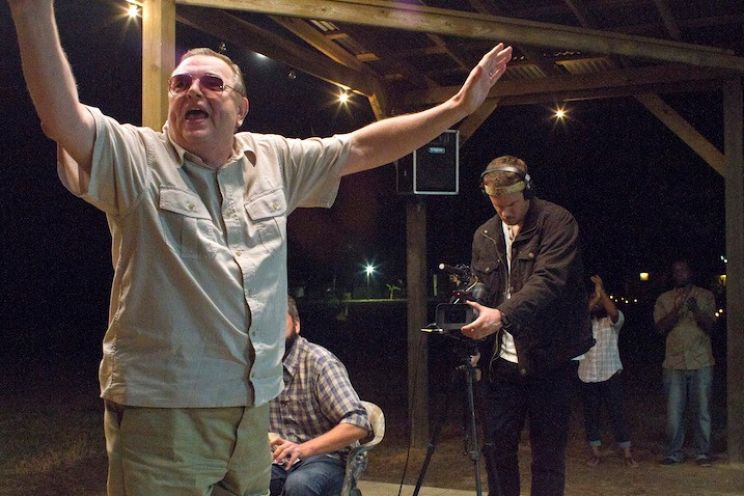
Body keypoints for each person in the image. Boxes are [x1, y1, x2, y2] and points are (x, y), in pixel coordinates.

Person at [8, 1, 511, 494]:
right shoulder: (137, 157)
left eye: (211, 83)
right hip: (165, 414)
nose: (192, 90)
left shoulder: (272, 160)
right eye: (180, 83)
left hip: (254, 415)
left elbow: (361, 146)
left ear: (241, 109)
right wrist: (33, 12)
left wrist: (456, 108)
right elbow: (62, 118)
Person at [460, 155, 594, 496]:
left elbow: (547, 281)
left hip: (550, 360)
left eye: (511, 204)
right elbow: (483, 290)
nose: (505, 212)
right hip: (500, 365)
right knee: (496, 453)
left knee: (547, 458)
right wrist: (474, 332)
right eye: (497, 205)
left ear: (528, 190)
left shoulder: (557, 222)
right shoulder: (484, 235)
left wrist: (500, 316)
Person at [269, 297, 370, 496]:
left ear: (296, 325)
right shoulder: (259, 368)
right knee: (242, 482)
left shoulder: (320, 363)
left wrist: (303, 449)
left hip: (326, 458)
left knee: (299, 485)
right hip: (278, 461)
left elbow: (358, 423)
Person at [653, 259, 716, 467]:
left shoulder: (705, 295)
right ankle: (673, 452)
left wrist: (696, 310)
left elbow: (711, 326)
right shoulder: (664, 298)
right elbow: (660, 328)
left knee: (702, 411)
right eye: (676, 271)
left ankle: (703, 453)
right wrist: (677, 309)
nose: (680, 273)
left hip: (701, 360)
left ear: (691, 272)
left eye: (683, 270)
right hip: (674, 362)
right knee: (674, 413)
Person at [578, 274, 638, 468]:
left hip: (610, 373)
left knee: (617, 414)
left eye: (599, 301)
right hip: (587, 375)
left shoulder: (612, 322)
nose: (596, 304)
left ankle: (627, 453)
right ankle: (596, 453)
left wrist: (601, 292)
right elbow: (579, 317)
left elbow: (614, 313)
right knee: (591, 417)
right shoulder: (584, 325)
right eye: (593, 300)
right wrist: (594, 298)